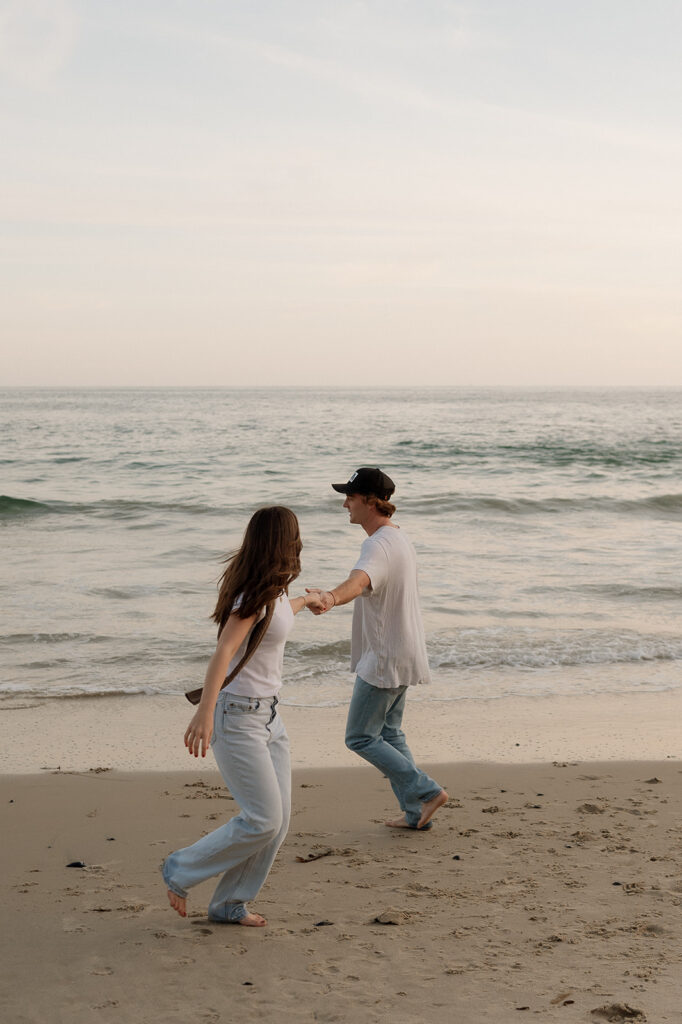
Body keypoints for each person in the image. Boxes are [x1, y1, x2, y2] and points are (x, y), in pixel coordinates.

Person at [162, 506, 314, 927]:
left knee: (276, 824)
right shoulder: (254, 596)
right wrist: (205, 714)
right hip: (237, 717)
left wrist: (307, 600)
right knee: (263, 819)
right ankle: (180, 869)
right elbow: (224, 652)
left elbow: (278, 619)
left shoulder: (278, 590)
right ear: (285, 542)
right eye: (296, 537)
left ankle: (230, 904)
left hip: (269, 717)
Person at [307, 468, 447, 830]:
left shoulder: (378, 544)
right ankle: (417, 812)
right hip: (402, 650)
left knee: (359, 737)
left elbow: (360, 580)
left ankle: (426, 791)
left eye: (351, 497)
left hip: (384, 656)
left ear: (371, 502)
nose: (345, 503)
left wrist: (330, 597)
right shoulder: (398, 539)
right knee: (389, 734)